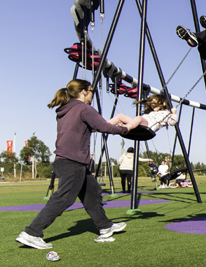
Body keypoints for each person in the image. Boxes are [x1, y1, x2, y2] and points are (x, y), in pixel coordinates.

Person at [16, 79, 129, 250]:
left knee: (92, 193)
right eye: (91, 91)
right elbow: (105, 127)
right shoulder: (84, 108)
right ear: (84, 92)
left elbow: (91, 127)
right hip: (73, 162)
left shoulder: (65, 110)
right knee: (64, 198)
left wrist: (108, 126)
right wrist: (126, 129)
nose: (92, 95)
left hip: (66, 161)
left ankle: (105, 226)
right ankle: (32, 233)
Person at [107, 93, 177, 132]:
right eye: (152, 105)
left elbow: (172, 123)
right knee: (120, 116)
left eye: (155, 105)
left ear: (163, 103)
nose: (152, 106)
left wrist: (174, 113)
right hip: (138, 124)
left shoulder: (166, 114)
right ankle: (105, 125)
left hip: (148, 127)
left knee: (139, 118)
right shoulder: (151, 112)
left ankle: (126, 127)